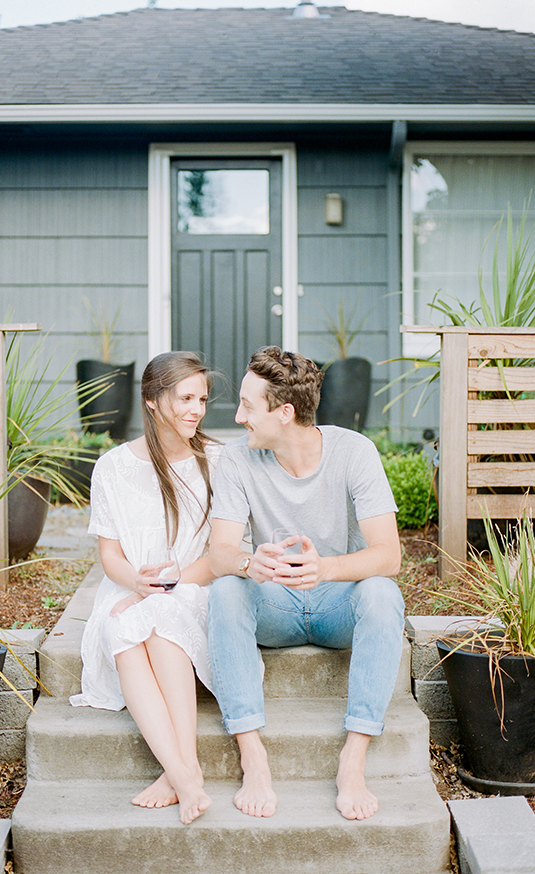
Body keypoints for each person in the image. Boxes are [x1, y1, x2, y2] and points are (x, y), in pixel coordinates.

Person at [207, 346, 404, 822]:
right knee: (226, 588)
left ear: (285, 412)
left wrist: (327, 569)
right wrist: (250, 563)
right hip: (274, 605)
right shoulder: (235, 460)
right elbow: (219, 554)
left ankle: (353, 758)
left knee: (383, 592)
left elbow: (389, 555)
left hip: (337, 605)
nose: (237, 417)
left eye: (248, 407)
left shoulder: (354, 451)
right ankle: (252, 755)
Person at [70, 351, 220, 825]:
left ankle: (179, 770)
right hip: (133, 587)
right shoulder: (113, 466)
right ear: (153, 400)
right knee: (124, 623)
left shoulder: (217, 461)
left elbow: (221, 555)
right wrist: (136, 581)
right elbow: (110, 554)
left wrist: (166, 586)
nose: (196, 409)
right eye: (185, 398)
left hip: (197, 586)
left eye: (202, 399)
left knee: (156, 617)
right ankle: (183, 771)